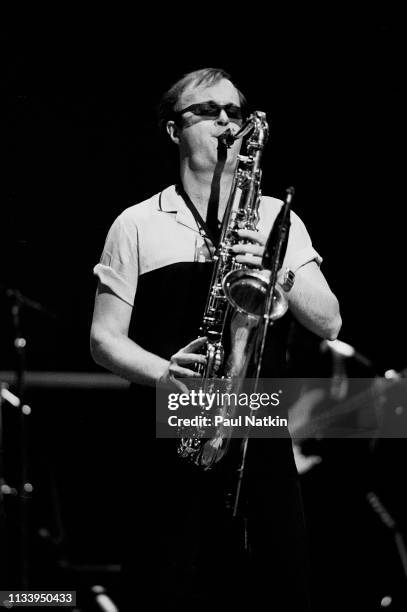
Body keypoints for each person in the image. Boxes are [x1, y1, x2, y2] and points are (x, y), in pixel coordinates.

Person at [90, 68, 341, 610]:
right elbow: (103, 339)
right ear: (173, 130)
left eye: (236, 111)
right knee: (169, 590)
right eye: (208, 110)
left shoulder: (276, 216)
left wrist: (279, 273)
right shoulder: (135, 223)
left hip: (258, 427)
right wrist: (164, 373)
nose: (226, 120)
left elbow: (330, 322)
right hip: (172, 428)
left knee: (279, 589)